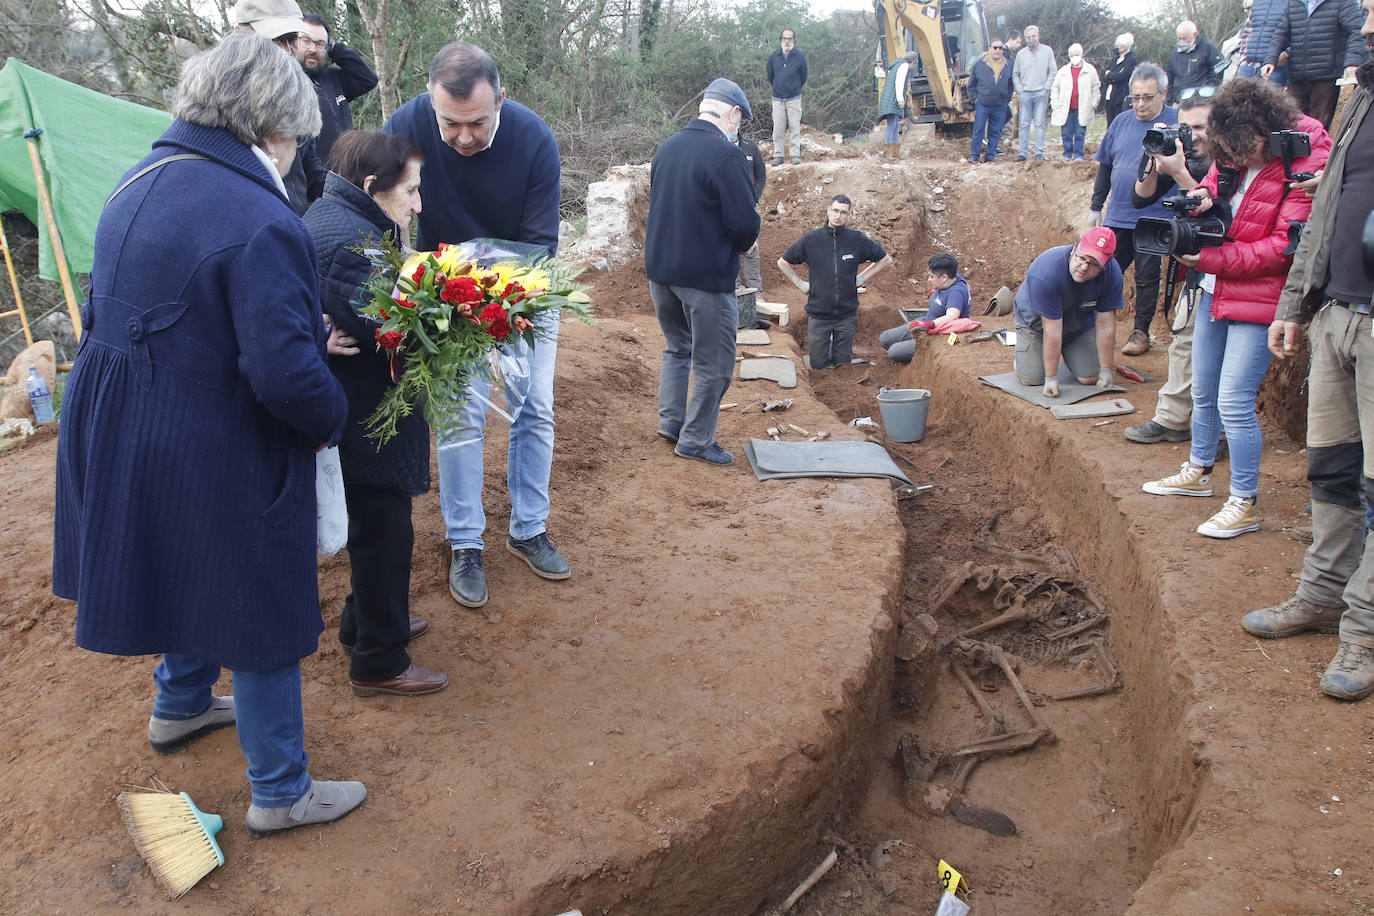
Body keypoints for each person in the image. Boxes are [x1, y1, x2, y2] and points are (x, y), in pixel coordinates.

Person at [52, 31, 365, 837]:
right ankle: (281, 791)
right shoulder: (260, 217)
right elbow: (284, 376)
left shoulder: (140, 177)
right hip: (203, 431)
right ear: (271, 126)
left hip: (122, 417)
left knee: (187, 560)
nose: (297, 149)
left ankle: (181, 705)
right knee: (256, 590)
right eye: (295, 133)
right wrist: (334, 422)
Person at [383, 42, 566, 609]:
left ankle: (528, 528)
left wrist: (491, 290)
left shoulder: (534, 140)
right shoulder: (406, 125)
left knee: (532, 405)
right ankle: (466, 542)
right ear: (431, 104)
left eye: (477, 123)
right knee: (460, 414)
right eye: (450, 124)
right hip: (444, 293)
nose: (463, 137)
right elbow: (381, 212)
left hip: (523, 290)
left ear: (501, 101)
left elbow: (539, 249)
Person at [1241, 0, 1374, 699]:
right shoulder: (1361, 96)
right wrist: (1299, 302)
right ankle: (1322, 596)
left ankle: (1363, 634)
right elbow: (1326, 210)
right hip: (1337, 315)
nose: (1366, 12)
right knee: (1331, 471)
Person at [1141, 78, 1330, 539]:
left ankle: (1244, 502)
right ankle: (1199, 470)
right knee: (1204, 390)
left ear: (1265, 131)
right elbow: (1213, 184)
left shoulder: (1306, 152)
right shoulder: (1231, 144)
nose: (1238, 160)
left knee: (1234, 400)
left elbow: (1283, 249)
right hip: (1215, 287)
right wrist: (1202, 195)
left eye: (1244, 151)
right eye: (1229, 152)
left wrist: (1209, 257)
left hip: (1261, 295)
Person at [303, 130, 448, 698]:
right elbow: (393, 323)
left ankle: (363, 622)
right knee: (384, 531)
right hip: (367, 412)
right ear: (372, 186)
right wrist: (459, 312)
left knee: (375, 526)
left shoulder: (344, 221)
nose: (417, 203)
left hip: (360, 402)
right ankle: (379, 660)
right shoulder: (348, 240)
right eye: (410, 190)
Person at [645, 78, 760, 467]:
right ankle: (695, 440)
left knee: (678, 348)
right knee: (715, 365)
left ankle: (672, 423)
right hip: (705, 280)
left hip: (661, 274)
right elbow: (744, 226)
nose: (738, 129)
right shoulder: (726, 156)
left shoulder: (667, 148)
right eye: (739, 120)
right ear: (731, 113)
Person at [1124, 90, 1216, 446]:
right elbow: (1140, 195)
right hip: (1194, 266)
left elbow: (1218, 215)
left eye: (1201, 126)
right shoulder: (1184, 154)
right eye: (1188, 128)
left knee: (1212, 354)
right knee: (1183, 341)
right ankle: (1173, 419)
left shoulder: (1230, 163)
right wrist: (1154, 156)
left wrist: (1179, 173)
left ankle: (1211, 431)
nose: (1195, 136)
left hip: (1226, 270)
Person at [1090, 63, 1178, 356]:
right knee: (1105, 270)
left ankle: (1141, 331)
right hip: (1119, 214)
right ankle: (1092, 324)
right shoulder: (1120, 122)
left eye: (1147, 97)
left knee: (1147, 275)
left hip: (1156, 217)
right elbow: (1105, 166)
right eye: (1135, 97)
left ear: (1163, 94)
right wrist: (1096, 206)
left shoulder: (1176, 124)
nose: (1140, 103)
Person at [229, 0, 326, 216]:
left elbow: (311, 169)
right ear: (240, 34)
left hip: (294, 222)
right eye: (277, 39)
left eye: (292, 39)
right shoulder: (218, 98)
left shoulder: (292, 95)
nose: (288, 51)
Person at [778, 195, 893, 370]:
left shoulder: (856, 240)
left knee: (843, 365)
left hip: (846, 315)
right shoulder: (812, 240)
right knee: (818, 365)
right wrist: (800, 284)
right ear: (828, 211)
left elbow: (885, 259)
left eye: (843, 212)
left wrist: (862, 278)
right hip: (819, 314)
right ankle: (824, 354)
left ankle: (839, 358)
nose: (838, 215)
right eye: (835, 211)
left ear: (849, 215)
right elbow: (782, 262)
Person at [1012, 227, 1124, 394]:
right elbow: (1052, 330)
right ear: (1074, 248)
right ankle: (1023, 357)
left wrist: (1106, 370)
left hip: (1076, 325)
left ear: (1106, 265)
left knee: (1091, 378)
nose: (1084, 267)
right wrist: (1051, 378)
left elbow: (1106, 325)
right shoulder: (1047, 271)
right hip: (1036, 326)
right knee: (1032, 379)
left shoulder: (1112, 274)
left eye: (1094, 264)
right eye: (1082, 258)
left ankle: (1067, 350)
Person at [1264, 0, 1366, 128]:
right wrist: (1270, 60)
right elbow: (1281, 34)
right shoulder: (1294, 3)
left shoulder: (1343, 2)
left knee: (1319, 126)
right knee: (1291, 124)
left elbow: (1356, 32)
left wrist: (1351, 63)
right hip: (1297, 76)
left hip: (1326, 77)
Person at [296, 13, 378, 165]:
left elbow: (368, 79)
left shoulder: (334, 78)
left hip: (347, 173)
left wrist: (335, 48)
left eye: (320, 44)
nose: (313, 49)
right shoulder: (287, 84)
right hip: (313, 180)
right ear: (294, 42)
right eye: (306, 41)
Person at [878, 253, 971, 363]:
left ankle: (918, 361)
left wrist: (928, 325)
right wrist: (937, 293)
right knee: (885, 339)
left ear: (944, 277)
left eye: (932, 276)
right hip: (926, 321)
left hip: (939, 334)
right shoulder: (953, 278)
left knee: (894, 352)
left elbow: (952, 316)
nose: (929, 279)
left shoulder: (956, 293)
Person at [735, 130, 767, 329]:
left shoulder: (749, 147)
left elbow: (761, 176)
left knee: (752, 249)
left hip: (748, 207)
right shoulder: (719, 145)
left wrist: (753, 199)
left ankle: (756, 291)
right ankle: (736, 289)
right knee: (729, 250)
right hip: (725, 208)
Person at [1050, 43, 1101, 161]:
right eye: (1072, 55)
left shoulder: (1090, 70)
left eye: (1076, 54)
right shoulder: (1063, 71)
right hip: (1066, 107)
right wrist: (1056, 104)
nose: (1074, 57)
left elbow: (1096, 88)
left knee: (1080, 132)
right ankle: (1067, 154)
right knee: (1066, 132)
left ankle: (1079, 154)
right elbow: (1055, 88)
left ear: (1081, 54)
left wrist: (1093, 104)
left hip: (1083, 107)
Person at [1013, 24, 1056, 161]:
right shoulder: (1021, 54)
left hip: (1041, 93)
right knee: (1024, 123)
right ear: (1025, 39)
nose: (1031, 39)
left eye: (1033, 36)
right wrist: (1020, 90)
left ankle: (1039, 152)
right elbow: (1015, 74)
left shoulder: (1047, 51)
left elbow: (1053, 71)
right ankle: (1023, 152)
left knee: (1040, 123)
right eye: (1028, 37)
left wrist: (1046, 88)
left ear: (1038, 36)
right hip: (1025, 93)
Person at [968, 39, 1013, 163]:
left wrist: (1006, 98)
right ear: (989, 48)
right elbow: (971, 84)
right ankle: (974, 155)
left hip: (1000, 105)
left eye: (1000, 48)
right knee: (978, 130)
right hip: (983, 104)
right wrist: (975, 99)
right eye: (995, 47)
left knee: (995, 131)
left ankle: (990, 154)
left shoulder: (1008, 65)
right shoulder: (980, 65)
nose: (997, 50)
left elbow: (1011, 84)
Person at [767, 28, 807, 166]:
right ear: (781, 40)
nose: (787, 41)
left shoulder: (799, 56)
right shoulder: (773, 56)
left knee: (795, 127)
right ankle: (779, 155)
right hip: (778, 99)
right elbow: (770, 76)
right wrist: (779, 87)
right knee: (778, 128)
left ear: (794, 40)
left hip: (794, 98)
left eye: (790, 38)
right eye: (785, 38)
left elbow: (804, 76)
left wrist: (793, 88)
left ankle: (795, 155)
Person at [1166, 20, 1222, 104]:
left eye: (1184, 38)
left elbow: (1216, 74)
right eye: (1179, 38)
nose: (1182, 41)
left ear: (1195, 35)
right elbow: (1169, 79)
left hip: (1202, 101)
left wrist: (1207, 95)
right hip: (1179, 101)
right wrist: (1171, 100)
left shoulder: (1208, 49)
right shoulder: (1174, 55)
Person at [1239, 0, 1290, 87]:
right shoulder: (1257, 2)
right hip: (1248, 66)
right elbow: (1247, 31)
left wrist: (1286, 54)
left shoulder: (1292, 3)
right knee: (1238, 99)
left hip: (1274, 68)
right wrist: (1244, 58)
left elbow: (1299, 33)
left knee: (1271, 100)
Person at [878, 51, 918, 159]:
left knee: (895, 125)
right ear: (913, 62)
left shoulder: (897, 65)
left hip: (891, 98)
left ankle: (895, 152)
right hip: (893, 99)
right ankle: (887, 153)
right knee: (892, 125)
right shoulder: (904, 66)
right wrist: (900, 99)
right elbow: (899, 83)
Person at [1102, 33, 1138, 124]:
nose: (1117, 48)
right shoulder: (1114, 60)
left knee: (1119, 121)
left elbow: (1122, 76)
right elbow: (1104, 75)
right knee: (1110, 123)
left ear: (1126, 46)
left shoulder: (1131, 60)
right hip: (1109, 96)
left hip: (1121, 97)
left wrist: (1111, 75)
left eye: (1120, 46)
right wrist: (1112, 75)